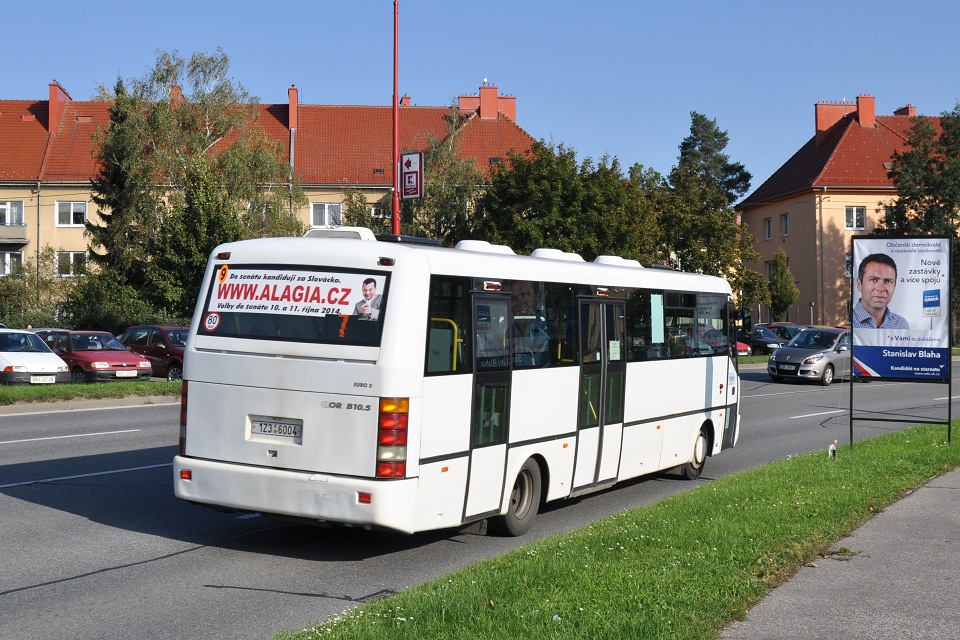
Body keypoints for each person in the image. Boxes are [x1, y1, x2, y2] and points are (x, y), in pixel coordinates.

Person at [853, 253, 910, 329]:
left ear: (894, 286)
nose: (881, 288)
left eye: (888, 281)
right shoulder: (848, 324)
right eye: (873, 280)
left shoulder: (901, 325)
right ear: (859, 284)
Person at [511, 280, 553, 366]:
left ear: (538, 297)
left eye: (525, 295)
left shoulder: (550, 332)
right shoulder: (508, 334)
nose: (519, 302)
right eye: (514, 298)